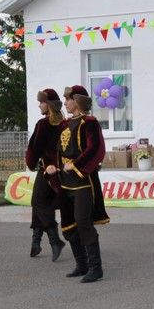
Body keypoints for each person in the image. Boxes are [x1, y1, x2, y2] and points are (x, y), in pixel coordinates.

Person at [48, 85, 109, 282]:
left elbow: (95, 149)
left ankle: (96, 267)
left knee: (83, 222)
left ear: (77, 100)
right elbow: (58, 151)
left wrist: (75, 164)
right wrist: (52, 166)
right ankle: (81, 264)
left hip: (82, 181)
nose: (64, 102)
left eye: (68, 99)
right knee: (69, 224)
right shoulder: (65, 124)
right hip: (65, 182)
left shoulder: (89, 122)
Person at [25, 88, 67, 261]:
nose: (39, 105)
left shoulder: (43, 124)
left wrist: (31, 162)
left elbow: (34, 148)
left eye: (41, 102)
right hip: (60, 171)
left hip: (47, 170)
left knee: (39, 202)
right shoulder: (64, 123)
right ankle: (36, 242)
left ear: (48, 105)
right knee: (40, 204)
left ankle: (55, 240)